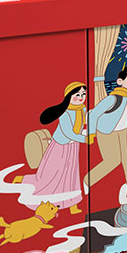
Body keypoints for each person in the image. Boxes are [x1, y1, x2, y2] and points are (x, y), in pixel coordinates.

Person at [21, 82, 87, 214]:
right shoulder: (65, 112)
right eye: (77, 94)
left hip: (73, 146)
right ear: (68, 96)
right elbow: (68, 132)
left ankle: (72, 203)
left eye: (83, 94)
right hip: (60, 146)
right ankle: (24, 180)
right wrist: (84, 138)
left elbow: (83, 123)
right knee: (52, 175)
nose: (80, 97)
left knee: (71, 175)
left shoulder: (82, 109)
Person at [85, 64, 127, 188]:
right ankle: (87, 181)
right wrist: (91, 133)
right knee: (112, 161)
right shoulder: (113, 98)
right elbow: (93, 115)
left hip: (124, 130)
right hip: (107, 132)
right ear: (120, 81)